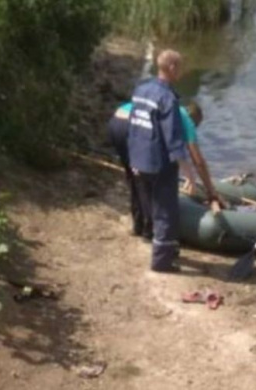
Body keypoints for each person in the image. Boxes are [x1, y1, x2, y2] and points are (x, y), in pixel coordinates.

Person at [127, 49, 193, 273]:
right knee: (165, 210)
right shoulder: (167, 98)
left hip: (138, 157)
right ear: (172, 67)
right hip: (158, 162)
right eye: (180, 67)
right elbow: (173, 138)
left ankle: (164, 247)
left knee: (149, 204)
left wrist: (132, 157)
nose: (181, 72)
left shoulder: (141, 90)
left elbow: (134, 125)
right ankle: (162, 261)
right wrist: (188, 172)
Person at [107, 102, 149, 239]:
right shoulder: (179, 116)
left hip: (115, 123)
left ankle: (138, 225)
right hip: (130, 126)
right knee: (143, 181)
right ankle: (148, 229)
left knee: (133, 177)